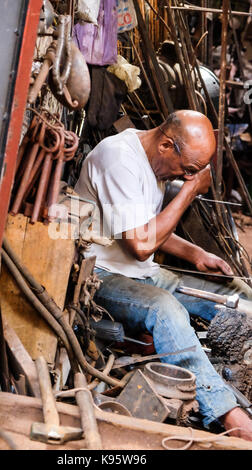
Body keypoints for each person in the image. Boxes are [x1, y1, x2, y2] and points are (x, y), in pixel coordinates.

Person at [75, 110, 252, 441]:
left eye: (190, 175)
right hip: (100, 275)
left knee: (236, 299)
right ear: (167, 145)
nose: (185, 179)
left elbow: (148, 229)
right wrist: (190, 191)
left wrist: (197, 254)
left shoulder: (155, 159)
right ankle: (229, 415)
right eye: (186, 170)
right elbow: (141, 244)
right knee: (164, 308)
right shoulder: (118, 159)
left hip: (144, 273)